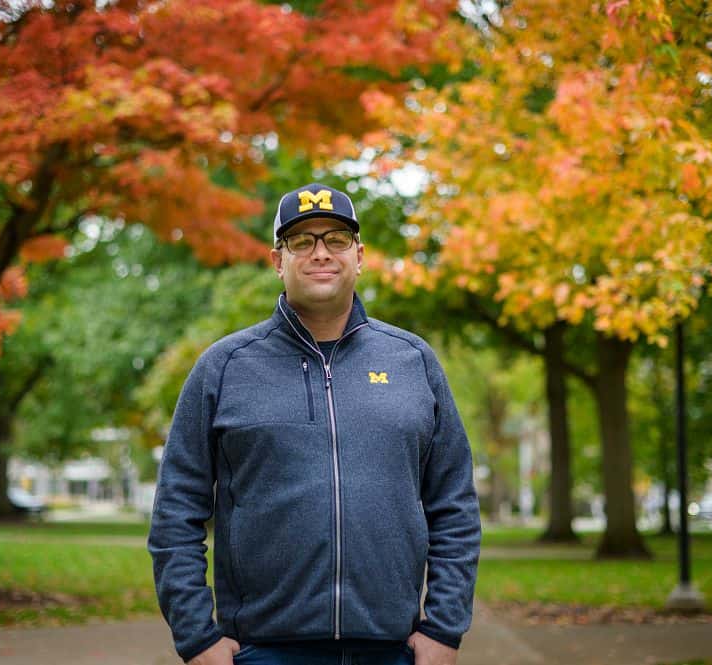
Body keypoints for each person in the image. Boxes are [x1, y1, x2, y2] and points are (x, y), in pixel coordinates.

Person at [148, 183, 481, 665]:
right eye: (301, 241)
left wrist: (444, 628)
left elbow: (454, 504)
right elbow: (176, 512)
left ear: (359, 255)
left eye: (336, 239)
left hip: (392, 650)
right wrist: (197, 637)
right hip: (263, 650)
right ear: (277, 260)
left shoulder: (413, 361)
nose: (320, 253)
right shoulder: (225, 367)